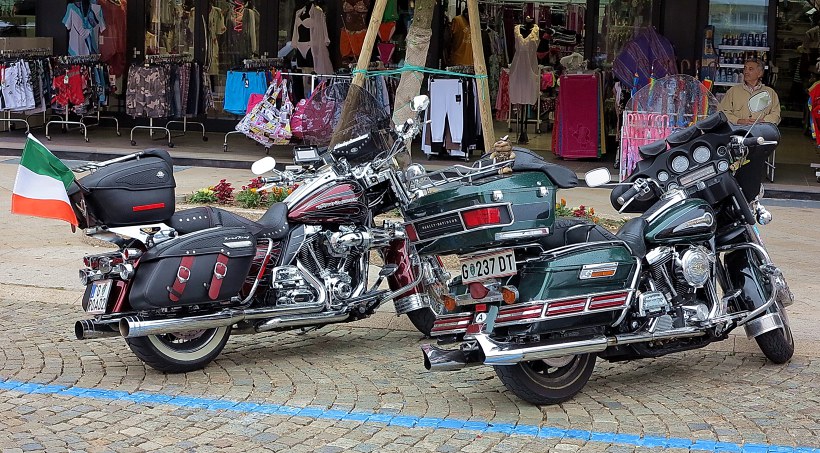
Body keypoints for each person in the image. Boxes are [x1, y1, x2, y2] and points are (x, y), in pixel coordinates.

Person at [719, 58, 781, 125]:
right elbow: (722, 112)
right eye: (745, 68)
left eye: (750, 69)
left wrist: (763, 121)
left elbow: (776, 114)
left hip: (761, 130)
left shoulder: (770, 93)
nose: (746, 72)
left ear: (760, 73)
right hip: (738, 129)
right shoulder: (733, 91)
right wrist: (739, 121)